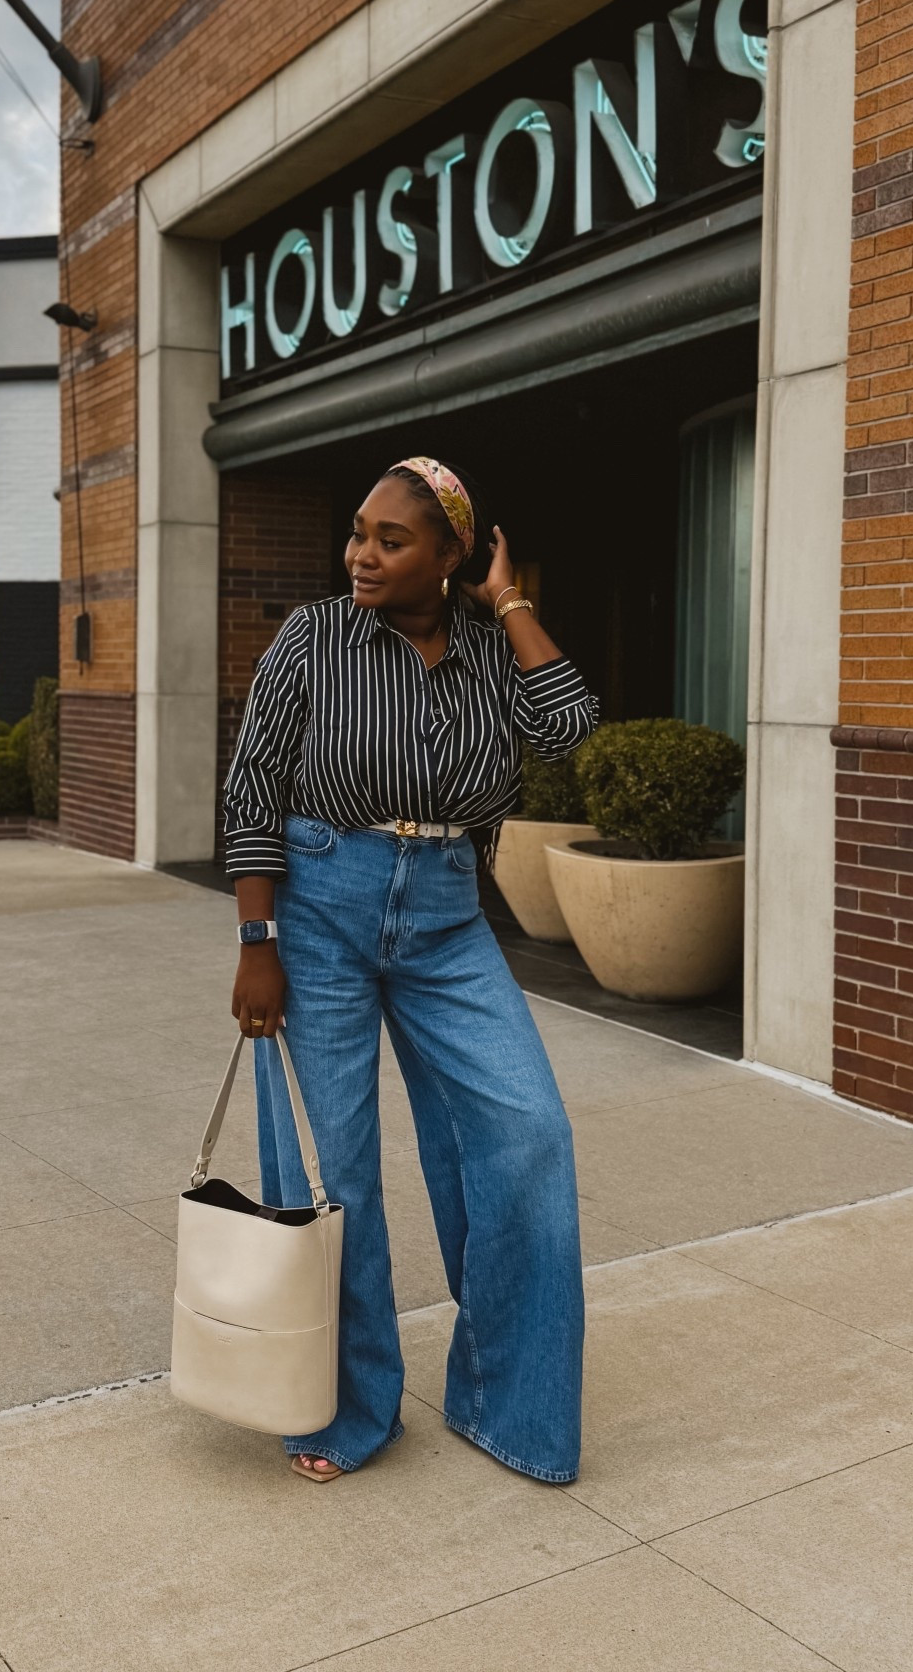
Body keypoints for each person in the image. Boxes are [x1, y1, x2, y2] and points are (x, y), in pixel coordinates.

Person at [223, 456, 597, 1484]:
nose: (361, 554)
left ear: (451, 555)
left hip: (445, 918)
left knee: (530, 1132)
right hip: (319, 908)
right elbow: (251, 783)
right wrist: (258, 942)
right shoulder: (313, 636)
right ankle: (351, 1405)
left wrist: (510, 601)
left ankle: (507, 1401)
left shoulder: (486, 653)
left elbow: (568, 723)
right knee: (342, 1174)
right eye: (358, 532)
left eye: (392, 538)